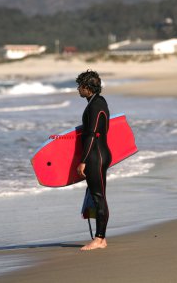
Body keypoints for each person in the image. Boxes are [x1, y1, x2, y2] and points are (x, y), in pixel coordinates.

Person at [76, 70, 112, 251]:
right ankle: (101, 238)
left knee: (99, 197)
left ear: (87, 88)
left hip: (95, 156)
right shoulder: (99, 102)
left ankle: (99, 239)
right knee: (99, 196)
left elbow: (91, 135)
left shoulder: (95, 105)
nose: (78, 89)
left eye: (80, 86)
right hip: (100, 153)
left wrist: (83, 160)